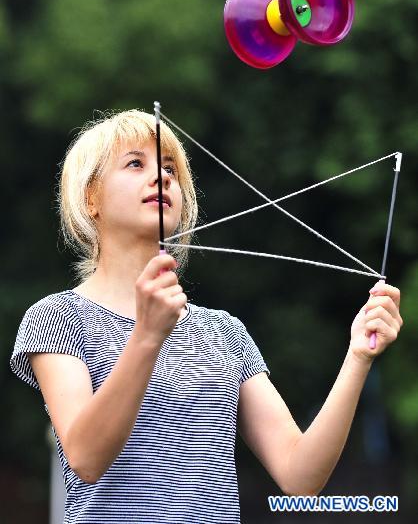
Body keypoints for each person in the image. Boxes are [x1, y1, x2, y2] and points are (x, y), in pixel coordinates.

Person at [10, 109, 403, 523]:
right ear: (91, 198)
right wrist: (147, 336)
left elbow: (299, 475)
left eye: (169, 169)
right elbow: (86, 459)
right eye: (135, 163)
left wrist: (358, 357)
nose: (161, 177)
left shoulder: (224, 331)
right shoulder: (56, 317)